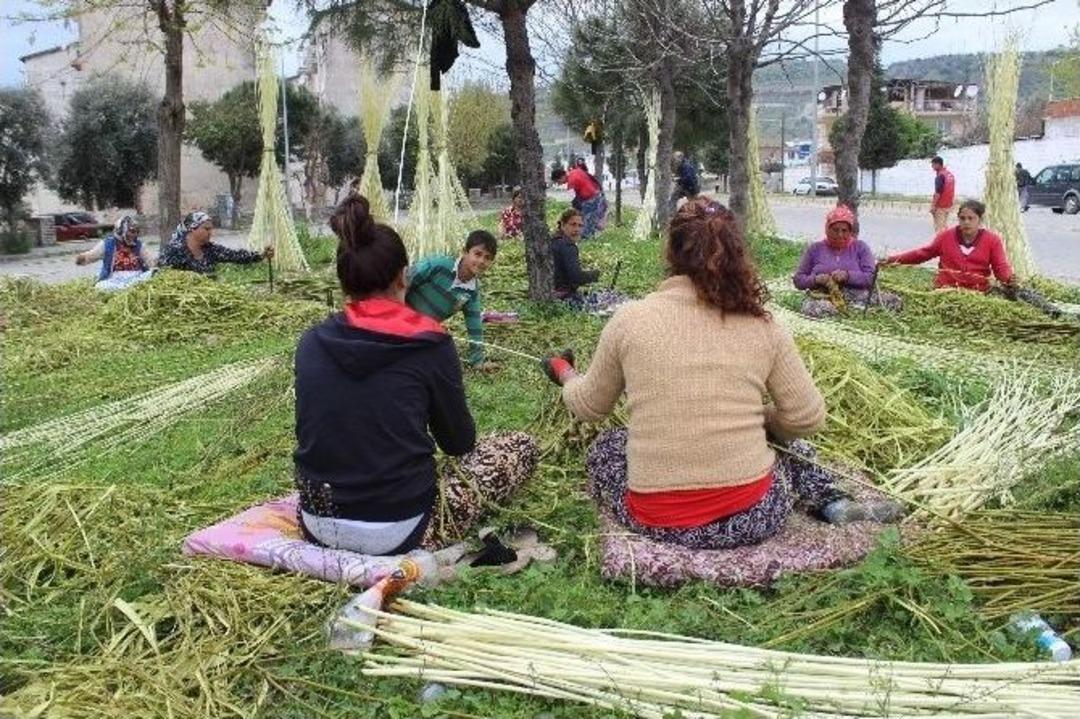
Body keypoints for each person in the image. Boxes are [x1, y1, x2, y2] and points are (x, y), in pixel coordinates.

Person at [540, 198, 902, 551]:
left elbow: (589, 406)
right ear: (736, 252)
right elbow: (807, 418)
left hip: (658, 521)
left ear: (672, 252)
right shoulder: (763, 325)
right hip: (754, 516)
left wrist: (565, 372)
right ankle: (831, 501)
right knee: (792, 445)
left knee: (608, 446)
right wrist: (762, 420)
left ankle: (827, 500)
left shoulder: (630, 320)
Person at [293, 194, 537, 555]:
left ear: (345, 281)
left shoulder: (310, 342)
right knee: (520, 446)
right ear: (404, 277)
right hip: (401, 527)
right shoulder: (431, 344)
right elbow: (458, 443)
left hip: (317, 522)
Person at [405, 230, 498, 370]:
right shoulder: (438, 265)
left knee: (440, 353)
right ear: (464, 252)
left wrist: (478, 361)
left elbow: (475, 327)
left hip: (422, 330)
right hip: (399, 316)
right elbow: (402, 282)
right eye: (477, 254)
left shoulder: (471, 292)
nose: (481, 261)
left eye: (487, 258)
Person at [792, 205, 902, 317]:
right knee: (820, 310)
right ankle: (841, 313)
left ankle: (852, 312)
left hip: (856, 295)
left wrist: (847, 276)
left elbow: (870, 278)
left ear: (850, 231)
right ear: (827, 229)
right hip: (824, 296)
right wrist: (816, 279)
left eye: (844, 230)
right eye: (835, 230)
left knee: (893, 301)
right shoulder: (815, 249)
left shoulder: (860, 247)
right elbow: (798, 280)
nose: (840, 235)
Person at [883, 199, 1013, 292]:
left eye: (971, 218)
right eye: (962, 218)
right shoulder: (946, 237)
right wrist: (891, 260)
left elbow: (1000, 267)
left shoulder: (992, 240)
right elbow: (922, 254)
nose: (966, 222)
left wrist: (1010, 280)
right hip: (946, 290)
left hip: (977, 292)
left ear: (980, 220)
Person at [158, 211, 274, 275]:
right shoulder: (175, 250)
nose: (210, 233)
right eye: (206, 229)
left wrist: (260, 255)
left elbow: (234, 255)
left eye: (211, 229)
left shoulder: (210, 249)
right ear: (192, 229)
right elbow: (163, 274)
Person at [74, 215, 156, 292]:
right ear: (121, 231)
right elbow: (92, 255)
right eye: (131, 232)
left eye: (135, 232)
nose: (133, 235)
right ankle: (127, 289)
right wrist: (82, 258)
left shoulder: (139, 245)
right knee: (100, 287)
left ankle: (128, 289)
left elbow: (150, 261)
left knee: (152, 274)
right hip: (115, 280)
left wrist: (156, 265)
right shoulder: (108, 244)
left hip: (136, 278)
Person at [551, 208, 600, 301]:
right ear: (563, 225)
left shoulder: (552, 240)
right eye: (573, 225)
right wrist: (595, 274)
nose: (577, 229)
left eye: (580, 226)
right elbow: (576, 277)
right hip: (564, 298)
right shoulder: (567, 246)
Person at [551, 161, 607, 239]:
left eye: (558, 182)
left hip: (591, 199)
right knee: (592, 218)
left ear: (561, 177)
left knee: (585, 220)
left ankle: (587, 237)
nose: (560, 184)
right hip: (597, 194)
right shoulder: (575, 171)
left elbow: (571, 199)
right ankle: (593, 233)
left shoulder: (572, 181)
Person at [929, 156, 956, 232]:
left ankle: (941, 243)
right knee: (944, 226)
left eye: (933, 164)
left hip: (940, 205)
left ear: (938, 164)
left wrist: (933, 206)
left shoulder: (940, 176)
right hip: (948, 205)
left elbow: (938, 192)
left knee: (939, 228)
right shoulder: (950, 174)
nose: (932, 166)